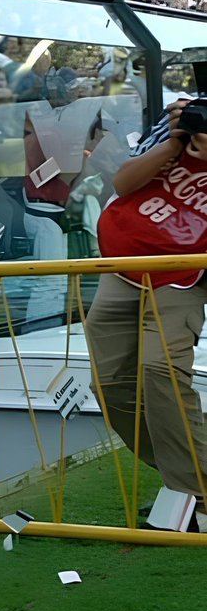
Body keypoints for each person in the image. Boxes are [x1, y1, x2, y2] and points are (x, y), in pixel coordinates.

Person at [86, 109, 207, 533]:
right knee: (109, 385)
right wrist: (175, 141)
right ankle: (187, 480)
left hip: (183, 276)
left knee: (161, 371)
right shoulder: (183, 119)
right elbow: (123, 183)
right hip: (123, 265)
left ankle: (195, 493)